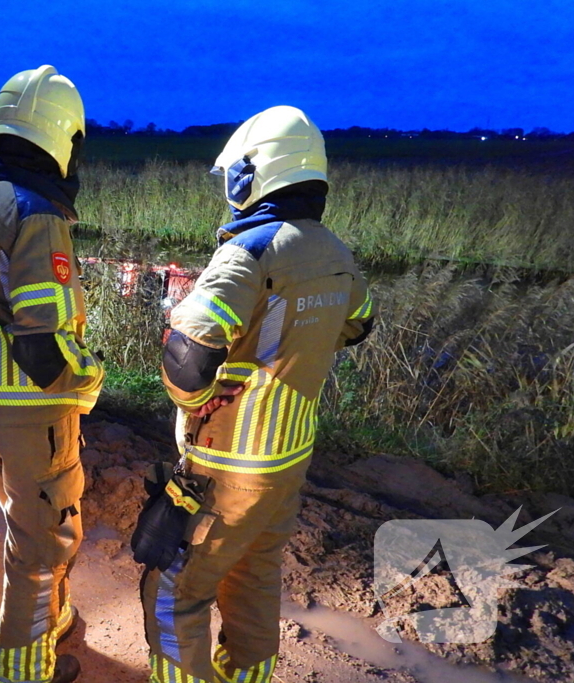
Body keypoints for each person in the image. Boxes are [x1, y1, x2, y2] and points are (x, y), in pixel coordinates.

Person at [133, 106, 375, 683]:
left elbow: (187, 353)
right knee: (254, 580)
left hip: (226, 467)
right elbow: (359, 327)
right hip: (288, 462)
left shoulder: (251, 252)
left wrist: (197, 403)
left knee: (173, 592)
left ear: (258, 173)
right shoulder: (338, 254)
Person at [0, 65, 104, 683]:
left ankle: (52, 619)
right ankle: (24, 669)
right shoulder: (37, 215)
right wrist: (91, 381)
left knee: (24, 522)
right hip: (34, 415)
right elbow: (42, 348)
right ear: (63, 139)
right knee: (41, 546)